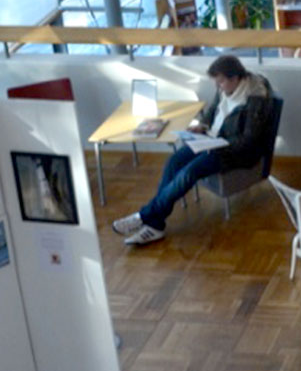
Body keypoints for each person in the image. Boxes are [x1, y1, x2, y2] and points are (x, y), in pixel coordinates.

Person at [112, 55, 277, 247]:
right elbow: (213, 111)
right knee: (174, 161)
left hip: (233, 151)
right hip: (211, 140)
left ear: (235, 78)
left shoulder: (256, 98)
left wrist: (220, 144)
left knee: (189, 173)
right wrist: (203, 125)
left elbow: (249, 141)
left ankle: (144, 216)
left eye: (221, 81)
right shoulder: (225, 89)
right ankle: (155, 224)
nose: (219, 86)